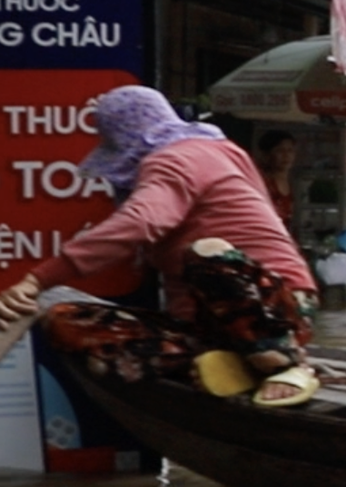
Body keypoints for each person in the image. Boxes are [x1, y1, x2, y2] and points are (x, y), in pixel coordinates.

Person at [0, 86, 319, 405]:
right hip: (216, 327)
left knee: (207, 252)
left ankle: (285, 362)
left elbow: (140, 223)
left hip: (275, 309)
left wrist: (37, 279)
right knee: (64, 320)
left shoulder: (178, 157)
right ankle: (223, 360)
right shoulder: (217, 150)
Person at [255, 130, 299, 231]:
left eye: (290, 150)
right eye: (280, 150)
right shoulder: (262, 182)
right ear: (267, 154)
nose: (286, 156)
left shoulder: (291, 182)